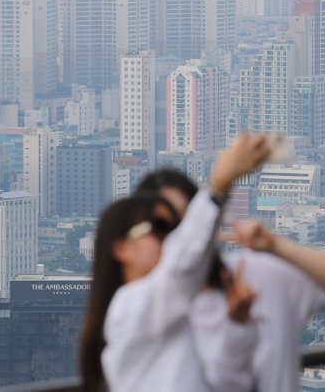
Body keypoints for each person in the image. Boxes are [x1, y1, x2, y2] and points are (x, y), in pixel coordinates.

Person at [137, 168, 325, 391]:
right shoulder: (143, 310)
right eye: (166, 225)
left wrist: (275, 246)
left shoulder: (257, 274)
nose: (183, 237)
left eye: (190, 222)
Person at [80, 134, 270, 392]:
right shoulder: (129, 306)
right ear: (122, 248)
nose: (170, 238)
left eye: (175, 228)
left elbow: (228, 386)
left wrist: (236, 325)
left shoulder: (174, 309)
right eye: (158, 228)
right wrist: (218, 186)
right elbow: (181, 266)